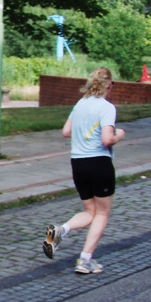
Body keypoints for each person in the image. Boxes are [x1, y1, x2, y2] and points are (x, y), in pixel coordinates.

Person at [43, 67, 125, 274]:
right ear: (110, 85)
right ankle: (85, 260)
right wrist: (119, 135)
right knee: (103, 213)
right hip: (99, 162)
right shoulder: (107, 107)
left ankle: (60, 231)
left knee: (91, 211)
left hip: (78, 163)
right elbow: (107, 139)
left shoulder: (80, 104)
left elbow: (66, 131)